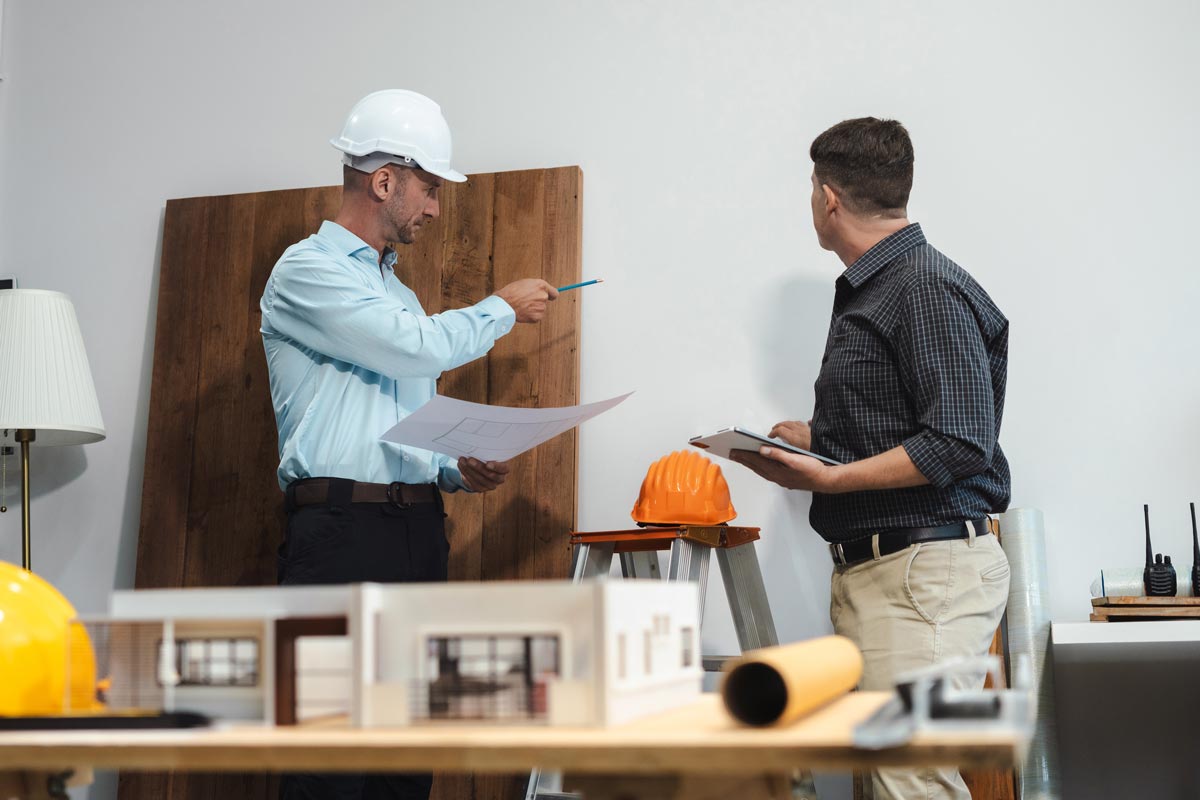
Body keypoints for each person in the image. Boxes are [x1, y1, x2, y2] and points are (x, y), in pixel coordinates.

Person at [259, 89, 557, 800]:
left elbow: (403, 419)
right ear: (385, 180)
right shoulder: (307, 272)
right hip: (338, 537)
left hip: (416, 531)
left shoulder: (400, 292)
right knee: (328, 759)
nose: (433, 207)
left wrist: (454, 469)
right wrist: (501, 309)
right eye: (428, 188)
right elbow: (411, 352)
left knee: (402, 760)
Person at [731, 117, 1012, 800]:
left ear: (828, 198)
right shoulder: (879, 286)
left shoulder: (922, 286)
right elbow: (909, 426)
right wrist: (814, 441)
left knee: (909, 773)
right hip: (885, 576)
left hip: (925, 578)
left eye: (809, 191)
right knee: (888, 777)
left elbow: (960, 439)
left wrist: (833, 476)